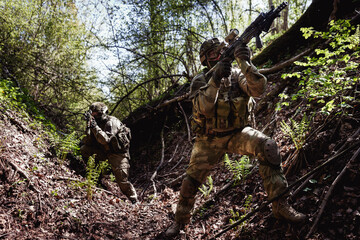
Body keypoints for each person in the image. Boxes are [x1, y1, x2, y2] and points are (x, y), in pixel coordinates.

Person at [165, 38, 305, 237]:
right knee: (191, 182)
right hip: (208, 140)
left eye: (222, 50)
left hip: (237, 134)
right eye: (214, 53)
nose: (220, 54)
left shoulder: (237, 74)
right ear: (206, 59)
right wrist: (215, 79)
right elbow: (204, 108)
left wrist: (245, 62)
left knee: (268, 146)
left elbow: (258, 89)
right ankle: (180, 221)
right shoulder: (200, 80)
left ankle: (280, 206)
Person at [80, 102, 138, 204]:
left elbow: (105, 140)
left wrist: (94, 126)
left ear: (104, 113)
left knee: (123, 182)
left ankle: (134, 200)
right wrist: (89, 126)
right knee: (84, 149)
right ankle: (97, 178)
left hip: (117, 154)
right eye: (93, 115)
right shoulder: (95, 123)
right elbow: (88, 142)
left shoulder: (112, 122)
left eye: (97, 114)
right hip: (103, 152)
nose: (95, 117)